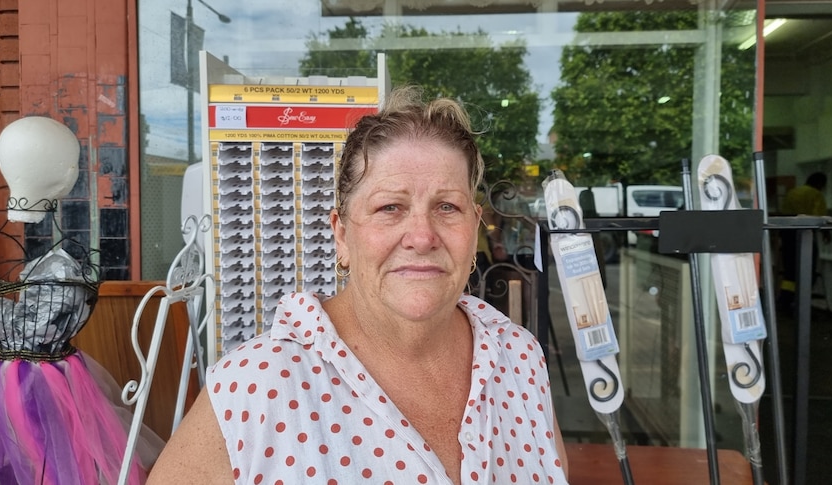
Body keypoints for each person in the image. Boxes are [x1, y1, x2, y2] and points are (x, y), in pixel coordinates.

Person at [147, 86, 570, 484]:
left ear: (474, 227)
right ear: (342, 235)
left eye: (447, 206)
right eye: (390, 207)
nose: (422, 237)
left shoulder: (520, 360)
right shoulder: (252, 389)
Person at [778, 171, 829, 312]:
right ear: (819, 183)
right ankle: (801, 303)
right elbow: (819, 217)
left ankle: (785, 300)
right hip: (805, 235)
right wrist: (826, 233)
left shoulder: (793, 192)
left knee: (790, 271)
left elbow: (784, 212)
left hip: (788, 234)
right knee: (808, 269)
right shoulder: (815, 194)